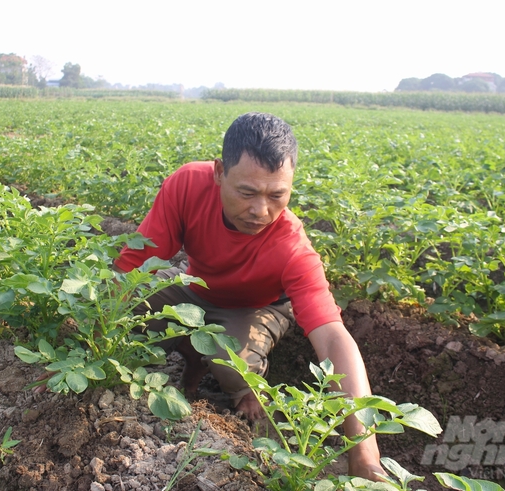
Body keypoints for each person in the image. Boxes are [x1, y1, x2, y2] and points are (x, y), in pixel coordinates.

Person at [113, 112, 384, 480]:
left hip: (259, 307)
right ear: (219, 172)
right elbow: (132, 266)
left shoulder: (291, 247)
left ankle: (251, 404)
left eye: (277, 195)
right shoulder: (187, 186)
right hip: (198, 288)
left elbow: (333, 335)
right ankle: (193, 354)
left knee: (233, 368)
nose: (261, 211)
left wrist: (365, 457)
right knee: (130, 301)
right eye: (247, 193)